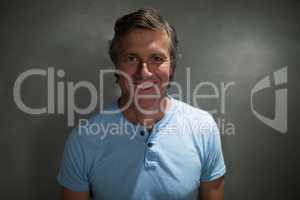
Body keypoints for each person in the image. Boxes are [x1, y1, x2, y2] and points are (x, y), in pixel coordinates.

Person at [57, 8, 226, 200]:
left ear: (171, 67)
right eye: (131, 58)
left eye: (157, 58)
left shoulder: (204, 128)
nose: (144, 73)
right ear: (116, 65)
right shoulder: (83, 140)